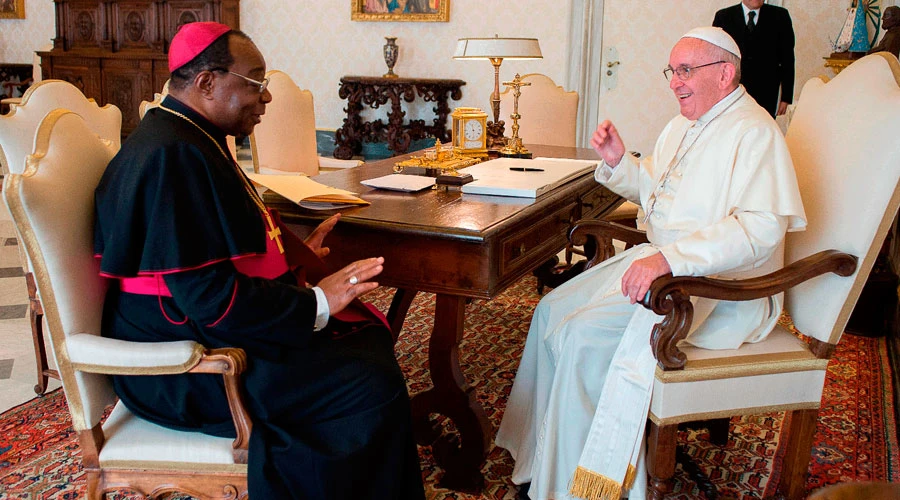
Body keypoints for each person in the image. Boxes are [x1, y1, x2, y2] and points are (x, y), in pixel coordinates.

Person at [93, 22, 425, 499]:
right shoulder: (173, 155)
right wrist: (316, 302)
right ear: (207, 82)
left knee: (364, 347)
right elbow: (207, 297)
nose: (265, 97)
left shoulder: (191, 137)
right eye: (255, 83)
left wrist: (291, 255)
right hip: (178, 363)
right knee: (365, 381)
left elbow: (213, 250)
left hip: (188, 327)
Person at [495, 27, 806, 500]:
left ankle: (582, 487)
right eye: (672, 71)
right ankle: (539, 457)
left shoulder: (755, 131)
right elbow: (659, 195)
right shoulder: (684, 124)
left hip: (715, 288)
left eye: (686, 70)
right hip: (666, 265)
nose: (675, 82)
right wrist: (620, 162)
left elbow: (761, 230)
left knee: (581, 335)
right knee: (550, 309)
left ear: (725, 74)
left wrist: (670, 258)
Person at [713, 0, 795, 117]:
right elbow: (716, 59)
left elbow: (787, 59)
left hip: (767, 93)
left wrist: (786, 98)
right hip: (733, 92)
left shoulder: (780, 16)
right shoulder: (723, 17)